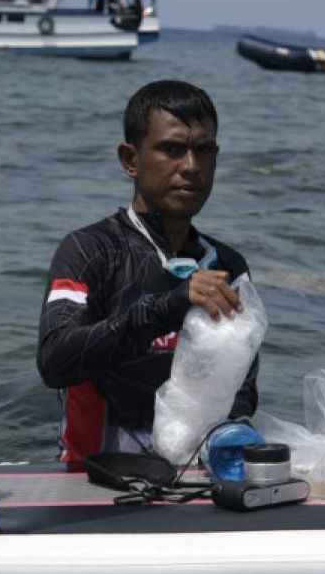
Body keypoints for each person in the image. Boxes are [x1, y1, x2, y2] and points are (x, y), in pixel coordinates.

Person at [36, 80, 258, 462]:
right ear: (130, 160)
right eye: (171, 150)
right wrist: (168, 307)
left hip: (193, 474)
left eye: (203, 151)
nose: (190, 167)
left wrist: (232, 438)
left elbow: (242, 389)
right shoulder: (90, 251)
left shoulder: (228, 266)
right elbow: (55, 361)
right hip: (95, 474)